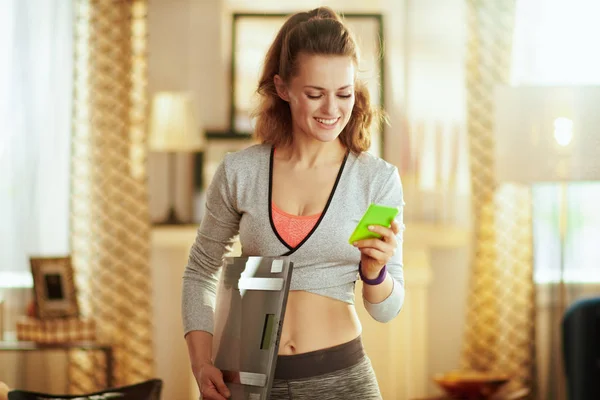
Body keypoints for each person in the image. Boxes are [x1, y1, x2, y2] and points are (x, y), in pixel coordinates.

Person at [182, 6, 405, 400]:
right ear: (283, 88)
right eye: (315, 94)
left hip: (341, 379)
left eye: (344, 94)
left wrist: (374, 273)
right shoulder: (241, 171)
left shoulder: (376, 179)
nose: (332, 110)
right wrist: (202, 365)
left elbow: (385, 310)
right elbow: (200, 270)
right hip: (247, 379)